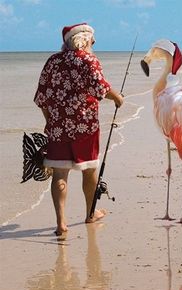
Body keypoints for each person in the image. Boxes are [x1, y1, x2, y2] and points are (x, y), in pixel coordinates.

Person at [34, 23, 123, 235]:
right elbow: (100, 87)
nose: (94, 42)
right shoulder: (88, 59)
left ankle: (61, 223)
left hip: (57, 128)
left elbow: (42, 98)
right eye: (92, 38)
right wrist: (118, 98)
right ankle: (90, 214)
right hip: (86, 127)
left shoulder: (53, 61)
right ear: (84, 39)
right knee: (90, 170)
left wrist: (49, 120)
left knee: (60, 174)